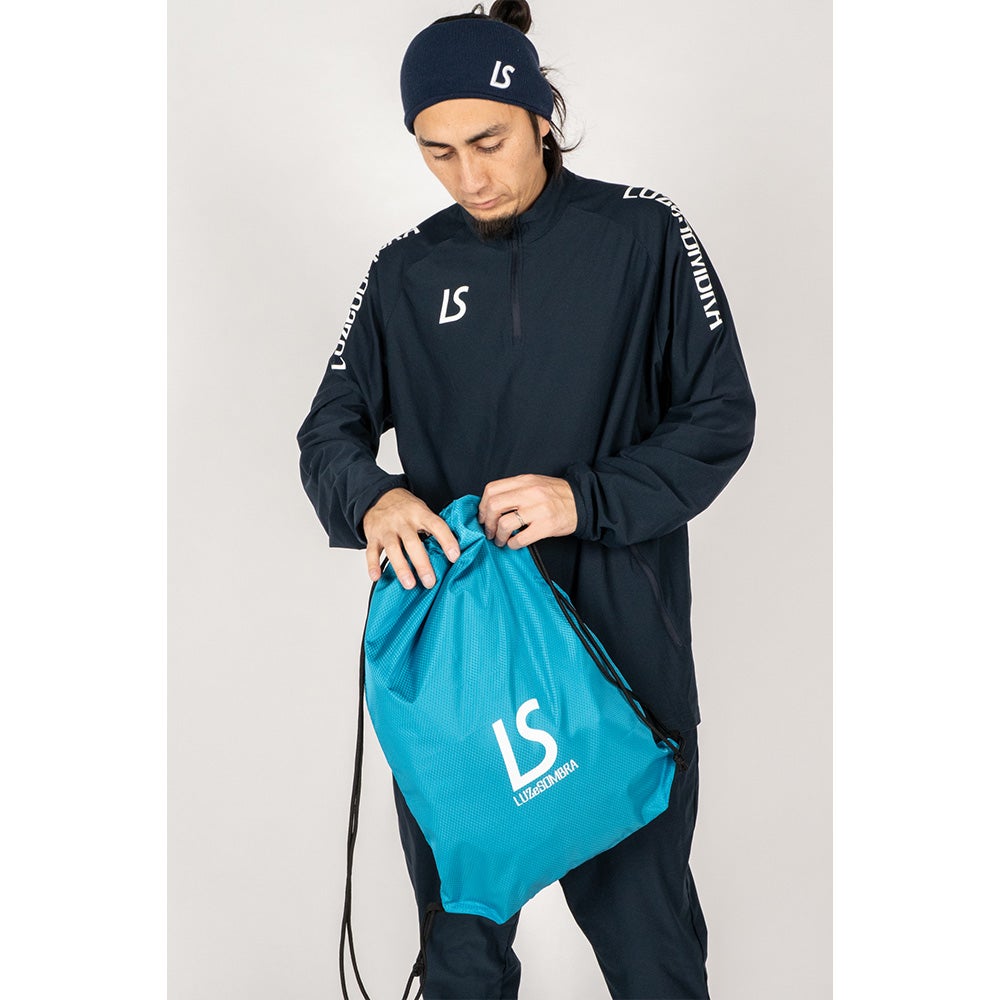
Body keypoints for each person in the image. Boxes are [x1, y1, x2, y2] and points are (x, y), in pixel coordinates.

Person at [296, 2, 755, 997]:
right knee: (461, 962)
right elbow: (327, 432)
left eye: (489, 141)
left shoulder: (642, 234)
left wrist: (583, 498)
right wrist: (373, 501)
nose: (470, 177)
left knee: (652, 957)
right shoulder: (403, 272)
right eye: (438, 153)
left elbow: (721, 416)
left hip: (619, 660)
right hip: (459, 665)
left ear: (541, 115)